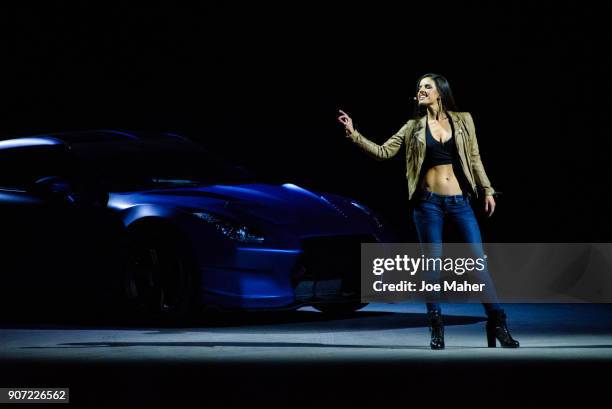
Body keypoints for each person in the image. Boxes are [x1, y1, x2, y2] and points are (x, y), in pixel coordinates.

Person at [337, 73, 519, 350]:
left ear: (440, 92)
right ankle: (436, 327)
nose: (420, 91)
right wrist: (354, 134)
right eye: (419, 87)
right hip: (428, 203)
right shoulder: (413, 127)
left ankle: (497, 322)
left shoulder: (463, 120)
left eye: (427, 86)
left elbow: (474, 157)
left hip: (460, 202)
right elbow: (384, 152)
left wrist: (488, 189)